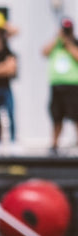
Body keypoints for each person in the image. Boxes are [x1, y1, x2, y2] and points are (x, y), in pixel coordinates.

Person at [42, 16, 78, 154]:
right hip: (57, 85)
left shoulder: (74, 43)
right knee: (56, 116)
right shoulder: (56, 44)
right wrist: (57, 38)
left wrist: (68, 44)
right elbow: (44, 52)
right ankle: (54, 145)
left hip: (73, 85)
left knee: (76, 116)